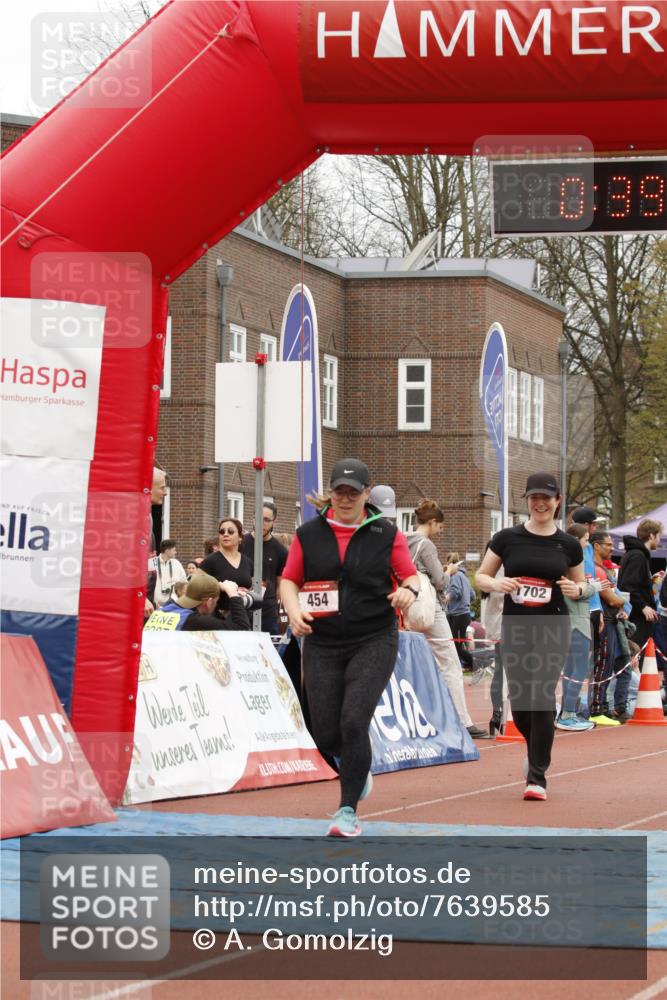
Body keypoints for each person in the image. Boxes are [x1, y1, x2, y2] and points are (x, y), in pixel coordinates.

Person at [280, 458, 418, 838]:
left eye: (353, 493)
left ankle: (346, 811)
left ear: (366, 495)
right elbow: (289, 580)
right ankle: (358, 767)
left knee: (354, 718)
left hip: (373, 636)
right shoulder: (309, 533)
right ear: (331, 491)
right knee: (325, 733)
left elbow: (411, 574)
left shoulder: (385, 533)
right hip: (322, 640)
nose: (345, 498)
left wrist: (408, 591)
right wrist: (293, 612)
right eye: (339, 491)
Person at [477, 472, 586, 802]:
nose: (540, 503)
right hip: (516, 626)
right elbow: (481, 576)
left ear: (557, 502)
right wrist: (497, 584)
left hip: (553, 626)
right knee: (522, 702)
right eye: (534, 497)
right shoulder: (506, 538)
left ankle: (537, 775)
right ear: (527, 501)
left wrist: (575, 589)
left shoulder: (568, 544)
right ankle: (535, 746)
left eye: (546, 497)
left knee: (540, 695)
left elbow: (580, 586)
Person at [407, 500, 487, 738]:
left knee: (418, 664)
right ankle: (462, 720)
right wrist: (448, 573)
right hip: (430, 608)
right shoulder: (426, 545)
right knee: (450, 663)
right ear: (432, 522)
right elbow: (440, 582)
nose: (439, 531)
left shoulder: (404, 540)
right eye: (439, 527)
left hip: (408, 605)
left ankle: (423, 716)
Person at [558, 524, 596, 731]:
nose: (587, 543)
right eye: (586, 539)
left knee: (571, 670)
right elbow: (575, 592)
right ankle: (568, 714)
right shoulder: (571, 563)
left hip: (572, 620)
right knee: (578, 670)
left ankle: (567, 711)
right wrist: (595, 586)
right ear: (575, 539)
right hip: (577, 622)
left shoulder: (568, 561)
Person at [618, 518, 664, 661]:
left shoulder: (636, 555)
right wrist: (643, 606)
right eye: (658, 536)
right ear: (651, 535)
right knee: (633, 660)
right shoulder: (638, 556)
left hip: (636, 616)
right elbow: (627, 586)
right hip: (636, 618)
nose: (659, 540)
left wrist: (649, 581)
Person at [240, 502, 288, 634]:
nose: (262, 523)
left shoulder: (280, 551)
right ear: (253, 519)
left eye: (267, 520)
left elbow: (281, 585)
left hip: (267, 611)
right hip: (241, 607)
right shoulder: (241, 543)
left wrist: (280, 611)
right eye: (259, 519)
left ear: (274, 522)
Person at [144, 573, 251, 631]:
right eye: (215, 602)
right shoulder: (193, 621)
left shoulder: (161, 612)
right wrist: (233, 595)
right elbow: (241, 629)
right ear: (209, 602)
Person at [199, 517, 254, 623]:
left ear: (240, 537)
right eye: (222, 531)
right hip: (217, 617)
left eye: (231, 531)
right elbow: (194, 585)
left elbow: (251, 587)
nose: (225, 534)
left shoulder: (248, 562)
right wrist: (219, 585)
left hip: (242, 617)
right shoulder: (211, 560)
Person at [145, 467, 168, 618]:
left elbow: (149, 561)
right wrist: (139, 598)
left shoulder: (148, 515)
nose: (165, 492)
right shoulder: (135, 517)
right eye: (162, 488)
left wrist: (152, 598)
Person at [446, 554, 475, 672]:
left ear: (450, 564)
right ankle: (469, 665)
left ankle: (475, 663)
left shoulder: (455, 575)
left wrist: (445, 598)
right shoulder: (465, 577)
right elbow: (472, 595)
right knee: (456, 644)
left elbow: (455, 591)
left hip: (458, 615)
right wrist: (465, 603)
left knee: (455, 646)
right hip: (463, 614)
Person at [153, 539, 187, 607]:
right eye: (174, 550)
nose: (176, 552)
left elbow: (184, 583)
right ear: (167, 550)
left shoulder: (177, 564)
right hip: (155, 605)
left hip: (173, 604)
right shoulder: (153, 563)